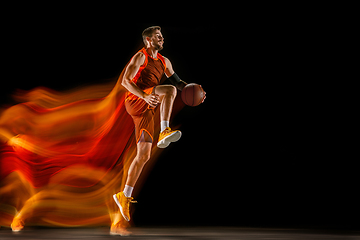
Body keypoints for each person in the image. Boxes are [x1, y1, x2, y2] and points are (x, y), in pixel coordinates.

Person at [113, 26, 204, 222]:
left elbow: (180, 84)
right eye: (157, 36)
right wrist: (144, 96)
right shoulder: (141, 57)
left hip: (146, 108)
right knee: (169, 91)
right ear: (148, 40)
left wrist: (195, 91)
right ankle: (164, 130)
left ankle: (124, 196)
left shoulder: (165, 62)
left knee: (143, 155)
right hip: (135, 100)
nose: (162, 38)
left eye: (161, 36)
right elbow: (125, 82)